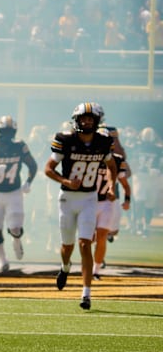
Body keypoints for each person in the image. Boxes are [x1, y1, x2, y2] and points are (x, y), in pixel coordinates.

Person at [44, 102, 117, 310]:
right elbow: (48, 169)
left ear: (97, 121)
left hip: (89, 198)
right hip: (67, 198)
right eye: (83, 118)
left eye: (90, 119)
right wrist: (66, 181)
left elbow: (111, 166)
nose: (86, 121)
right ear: (76, 120)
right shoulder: (65, 140)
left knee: (86, 243)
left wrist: (111, 186)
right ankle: (65, 266)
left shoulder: (103, 142)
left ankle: (86, 294)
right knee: (67, 247)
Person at [0, 115, 38, 274]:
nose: (6, 134)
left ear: (13, 132)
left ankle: (16, 240)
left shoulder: (20, 146)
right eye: (3, 131)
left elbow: (32, 165)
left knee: (15, 228)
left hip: (14, 192)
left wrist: (28, 182)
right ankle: (3, 261)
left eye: (9, 131)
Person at [93, 152, 130, 280]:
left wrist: (127, 199)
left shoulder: (117, 159)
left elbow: (125, 183)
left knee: (103, 235)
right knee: (89, 238)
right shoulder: (89, 154)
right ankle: (92, 264)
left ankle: (96, 269)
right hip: (89, 201)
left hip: (107, 202)